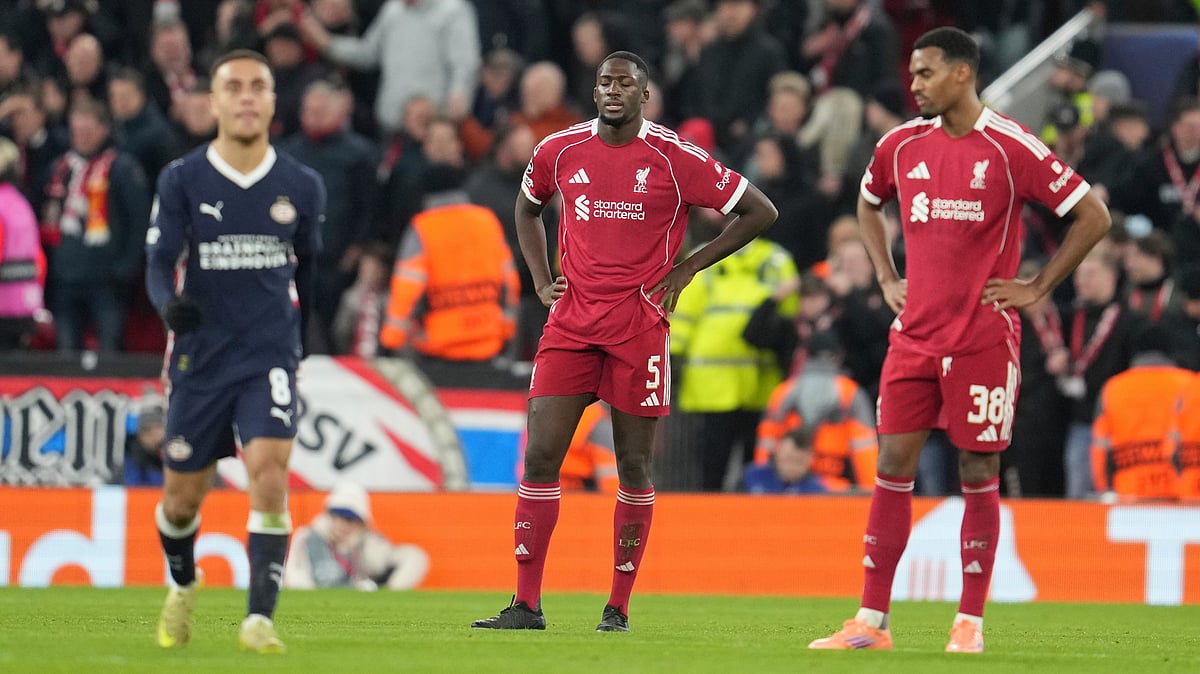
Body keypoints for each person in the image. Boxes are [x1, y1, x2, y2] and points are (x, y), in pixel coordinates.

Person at [808, 27, 1110, 654]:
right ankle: (871, 621)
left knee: (979, 469)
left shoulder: (1009, 146)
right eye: (912, 73)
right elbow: (869, 206)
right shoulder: (899, 145)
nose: (913, 84)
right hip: (913, 336)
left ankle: (968, 622)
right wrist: (888, 276)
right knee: (892, 467)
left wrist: (1038, 286)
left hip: (982, 338)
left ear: (962, 75)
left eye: (925, 72)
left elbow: (1093, 216)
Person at [471, 50, 778, 632]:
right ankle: (526, 604)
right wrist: (540, 279)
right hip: (570, 325)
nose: (613, 90)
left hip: (638, 330)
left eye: (625, 83)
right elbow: (527, 208)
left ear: (645, 95)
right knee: (540, 455)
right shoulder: (558, 149)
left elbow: (760, 211)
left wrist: (688, 268)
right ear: (595, 92)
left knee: (633, 465)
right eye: (604, 82)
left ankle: (618, 607)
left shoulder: (674, 156)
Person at [144, 49, 325, 654]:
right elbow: (156, 260)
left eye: (258, 87)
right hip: (201, 359)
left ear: (273, 101)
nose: (246, 97)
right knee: (180, 501)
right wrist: (168, 308)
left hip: (269, 353)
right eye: (234, 87)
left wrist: (304, 339)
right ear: (214, 102)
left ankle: (259, 620)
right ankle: (182, 580)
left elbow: (313, 267)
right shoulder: (182, 178)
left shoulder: (301, 184)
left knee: (269, 473)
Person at [285, 481, 430, 590]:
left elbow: (414, 559)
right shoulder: (307, 538)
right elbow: (295, 578)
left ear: (361, 523)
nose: (340, 523)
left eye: (349, 519)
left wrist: (388, 587)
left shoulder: (369, 542)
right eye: (336, 515)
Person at [743, 427, 828, 494]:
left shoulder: (817, 491)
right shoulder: (752, 475)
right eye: (788, 459)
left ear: (811, 460)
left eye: (798, 462)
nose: (791, 467)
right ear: (777, 453)